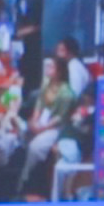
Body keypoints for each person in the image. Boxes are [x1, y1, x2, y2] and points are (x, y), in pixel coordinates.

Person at [17, 55, 74, 192]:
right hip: (41, 121)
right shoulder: (46, 83)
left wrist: (42, 128)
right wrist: (34, 121)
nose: (48, 69)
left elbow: (60, 117)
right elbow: (39, 103)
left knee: (36, 147)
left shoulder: (66, 93)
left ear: (59, 72)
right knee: (20, 131)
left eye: (52, 67)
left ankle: (26, 177)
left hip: (55, 127)